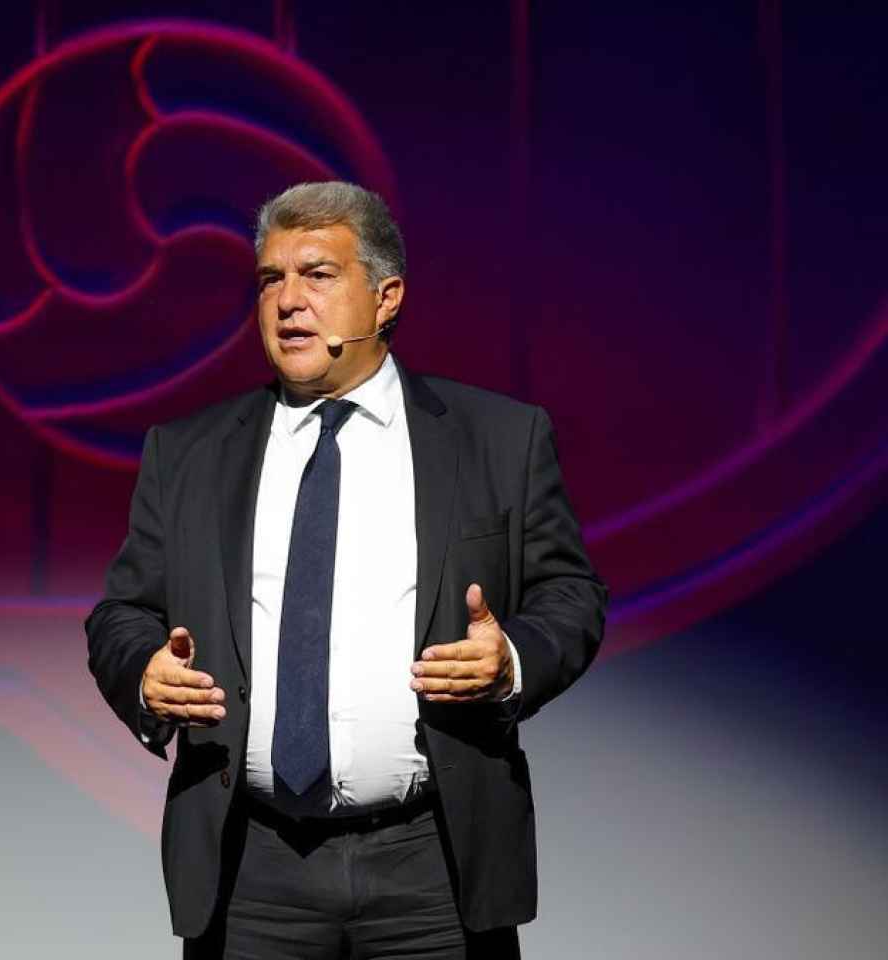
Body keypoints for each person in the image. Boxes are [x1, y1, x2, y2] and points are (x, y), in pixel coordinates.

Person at [85, 181, 607, 958]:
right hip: (250, 869)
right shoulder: (188, 452)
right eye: (270, 279)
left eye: (318, 275)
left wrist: (512, 661)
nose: (288, 300)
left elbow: (573, 594)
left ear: (386, 297)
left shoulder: (498, 440)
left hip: (434, 864)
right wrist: (143, 673)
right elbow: (122, 613)